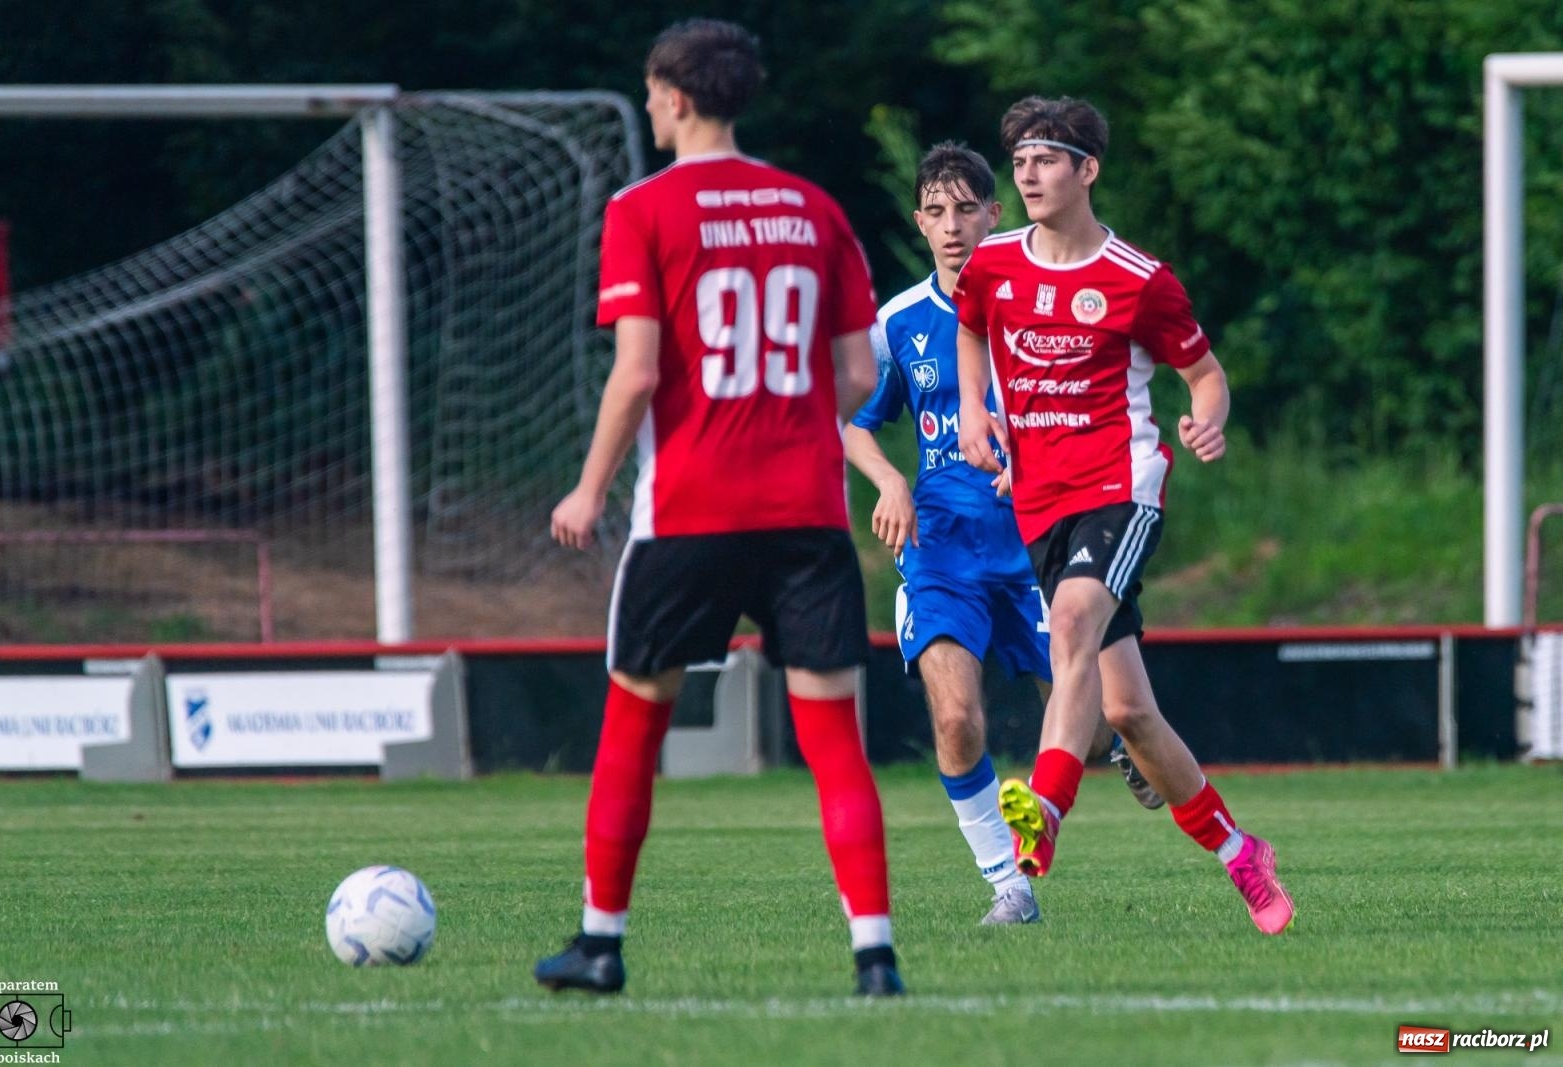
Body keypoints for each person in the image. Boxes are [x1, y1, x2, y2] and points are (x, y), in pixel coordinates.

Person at [536, 18, 904, 996]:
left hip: (690, 511)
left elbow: (637, 372)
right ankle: (874, 955)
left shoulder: (642, 209)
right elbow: (859, 369)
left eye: (654, 91)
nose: (651, 105)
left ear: (679, 97)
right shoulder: (815, 210)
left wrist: (587, 485)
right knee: (832, 737)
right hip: (806, 513)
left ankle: (600, 943)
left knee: (635, 721)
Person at [953, 96, 1294, 934]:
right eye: (1020, 160)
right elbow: (971, 330)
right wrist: (972, 411)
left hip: (1121, 485)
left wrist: (1206, 415)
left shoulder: (1140, 281)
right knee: (1129, 714)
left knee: (1070, 622)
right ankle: (1240, 852)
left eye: (1046, 158)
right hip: (1038, 502)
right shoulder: (994, 265)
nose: (1028, 173)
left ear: (1087, 170)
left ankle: (1045, 816)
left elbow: (1204, 373)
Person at [843, 142, 1162, 927]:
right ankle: (1008, 885)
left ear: (996, 214)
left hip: (1040, 540)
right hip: (943, 548)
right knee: (956, 717)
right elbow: (850, 420)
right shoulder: (900, 323)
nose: (952, 228)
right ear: (920, 221)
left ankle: (1127, 743)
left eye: (967, 210)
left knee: (1093, 719)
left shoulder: (1038, 299)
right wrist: (888, 481)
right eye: (936, 212)